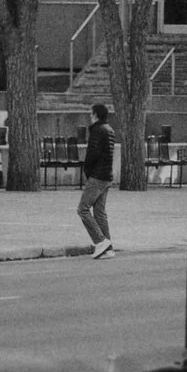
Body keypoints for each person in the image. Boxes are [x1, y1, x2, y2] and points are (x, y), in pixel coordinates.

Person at [77, 103, 116, 259]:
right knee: (99, 212)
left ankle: (100, 241)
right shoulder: (109, 130)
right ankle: (108, 247)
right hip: (106, 175)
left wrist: (87, 170)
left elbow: (92, 154)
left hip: (97, 176)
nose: (89, 116)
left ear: (95, 115)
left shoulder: (97, 130)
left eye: (91, 113)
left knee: (83, 209)